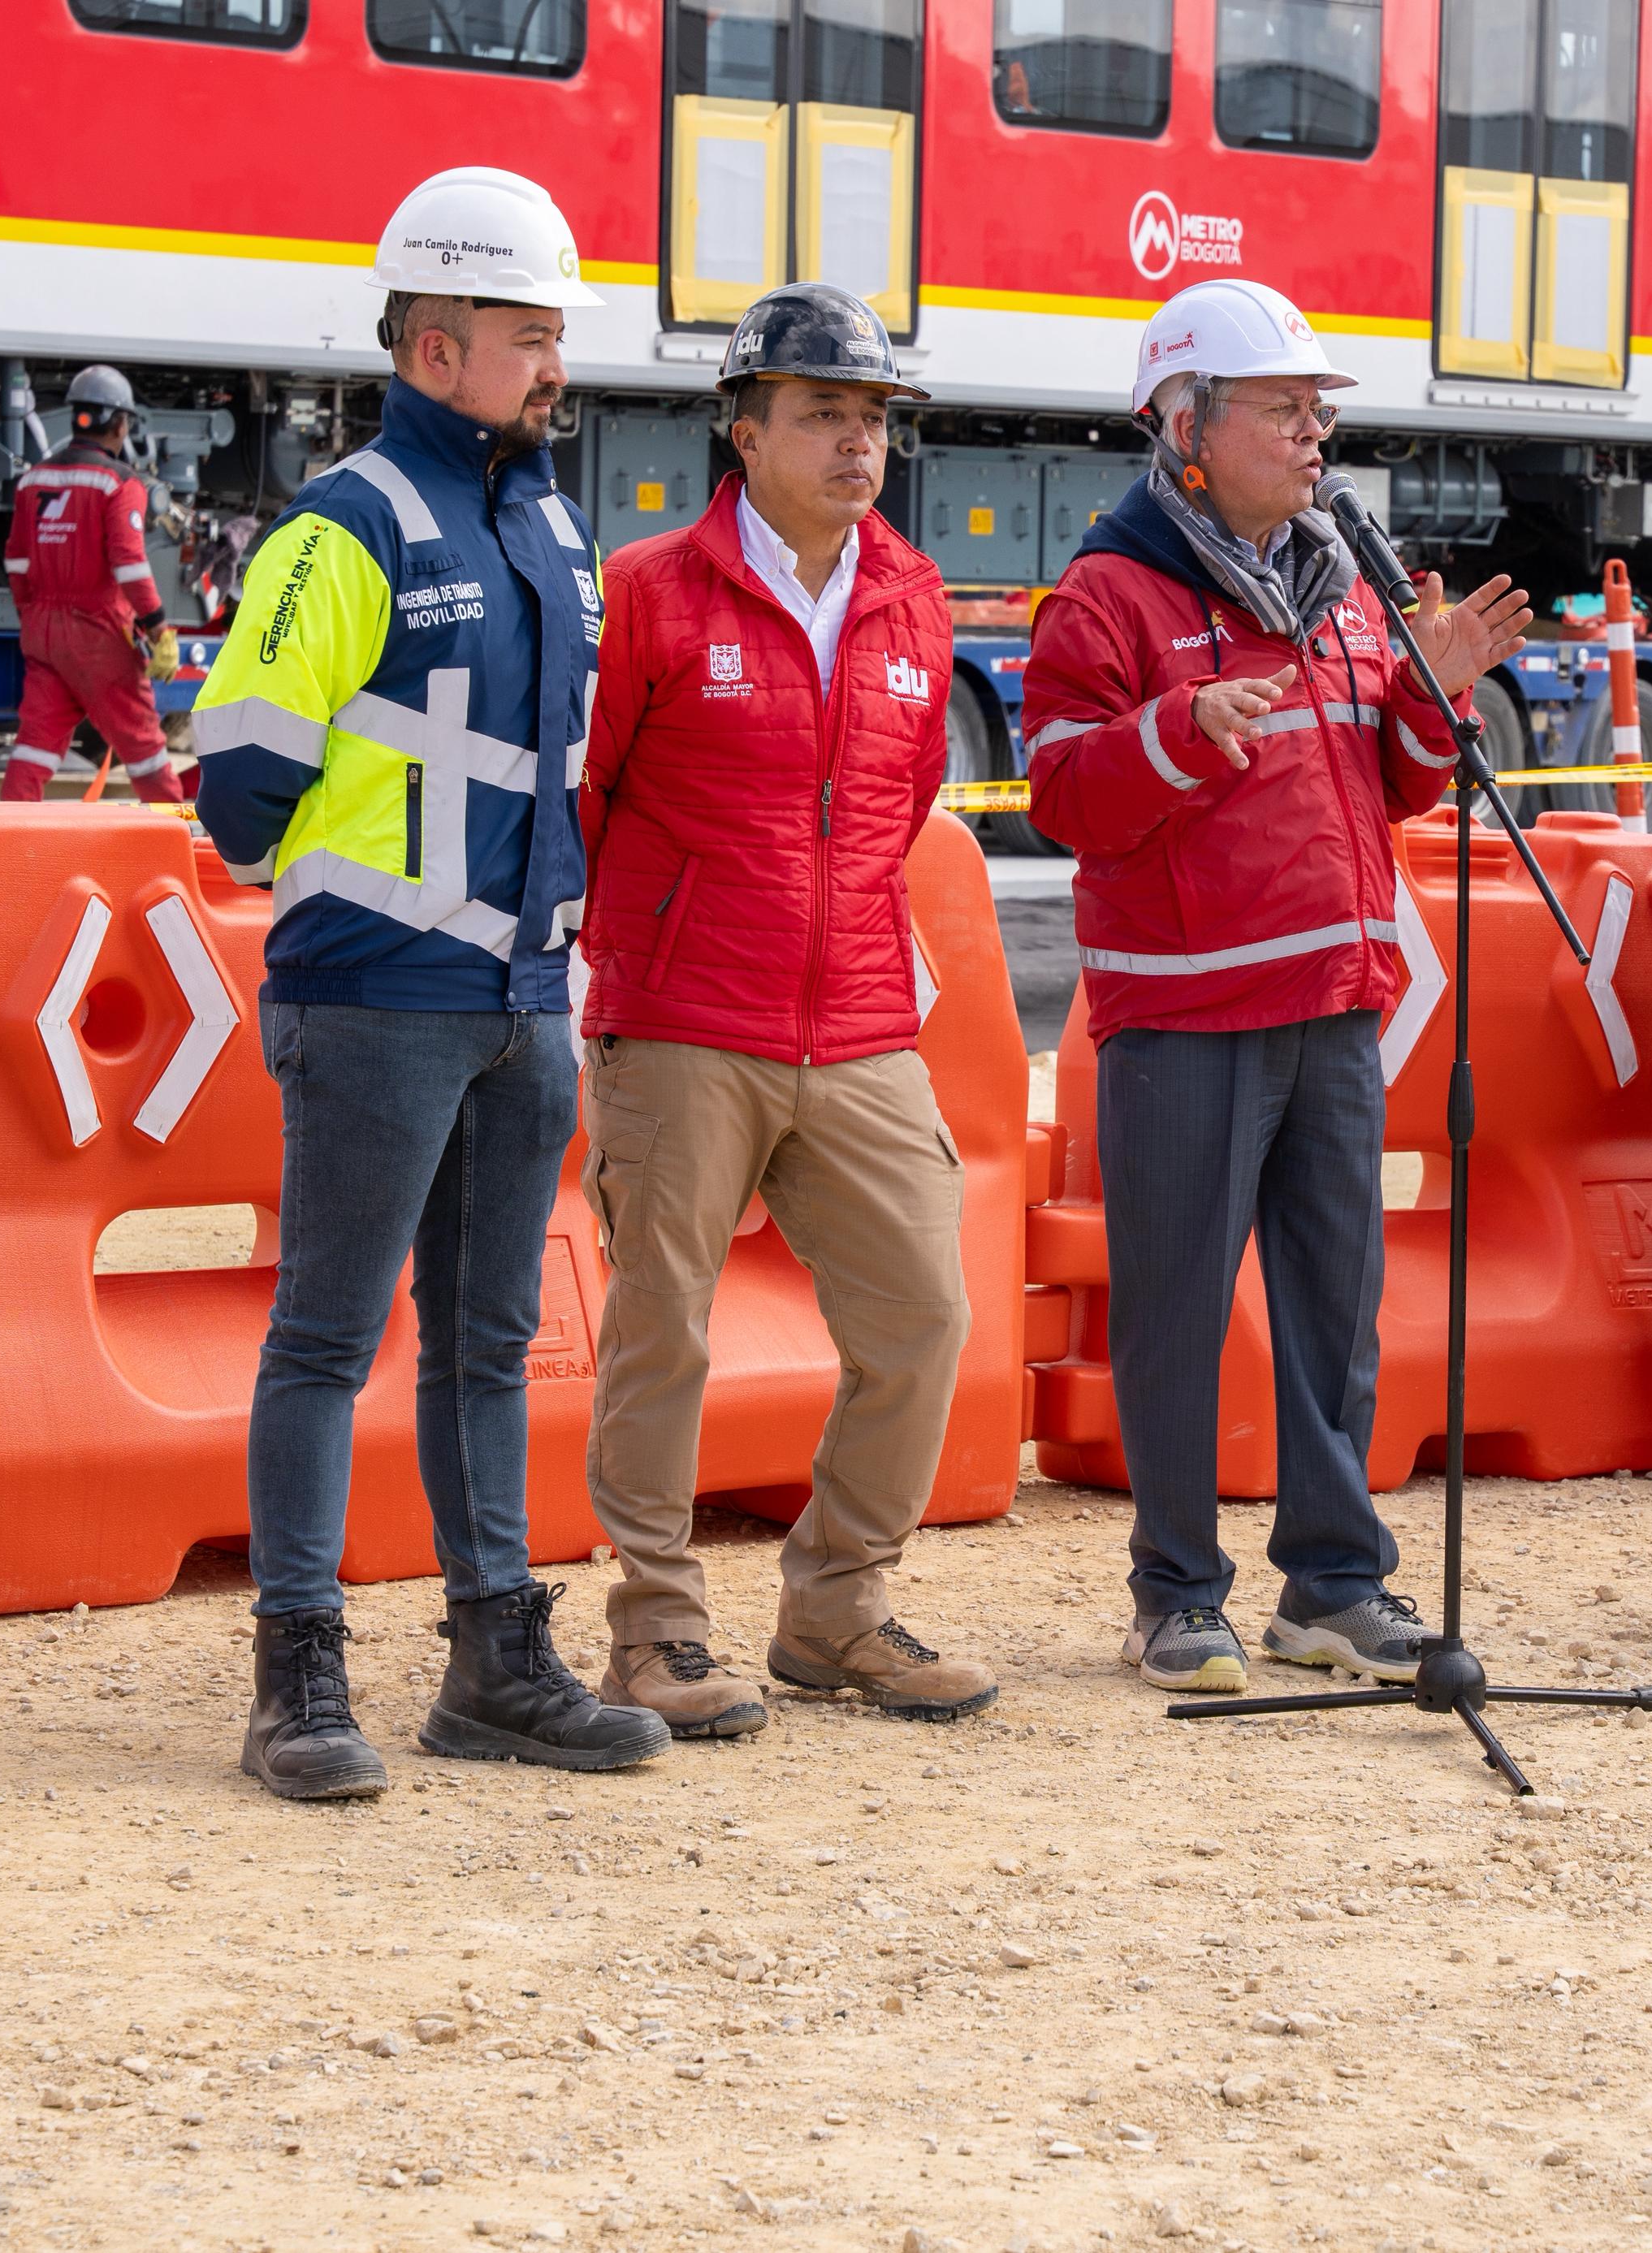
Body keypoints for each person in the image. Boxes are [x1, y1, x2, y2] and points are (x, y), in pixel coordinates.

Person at [192, 168, 670, 1799]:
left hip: (524, 1006)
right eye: (535, 338)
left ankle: (494, 1663)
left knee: (489, 1343)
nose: (557, 367)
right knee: (326, 1337)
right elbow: (240, 783)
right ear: (439, 342)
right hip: (377, 1001)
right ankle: (300, 1678)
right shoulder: (346, 524)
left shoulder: (542, 511)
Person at [1020, 279, 1533, 1697]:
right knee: (1178, 1309)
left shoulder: (1342, 580)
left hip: (1333, 998)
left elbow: (1396, 785)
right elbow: (1062, 794)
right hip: (1183, 1014)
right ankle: (1176, 1592)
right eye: (1287, 410)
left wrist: (1434, 694)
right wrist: (1180, 732)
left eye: (1322, 412)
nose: (1317, 435)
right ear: (1186, 427)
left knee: (1334, 1303)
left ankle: (1335, 1583)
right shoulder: (1107, 596)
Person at [573, 283, 992, 1732]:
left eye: (874, 418)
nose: (857, 442)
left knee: (926, 1314)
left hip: (864, 1021)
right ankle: (658, 1629)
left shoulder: (915, 598)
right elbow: (590, 792)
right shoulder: (646, 590)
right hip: (686, 1016)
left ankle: (837, 1609)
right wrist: (634, 964)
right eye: (824, 413)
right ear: (742, 431)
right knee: (662, 1326)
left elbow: (906, 797)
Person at [2, 365, 183, 805]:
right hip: (99, 632)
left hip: (42, 630)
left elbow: (17, 560)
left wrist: (35, 615)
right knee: (144, 748)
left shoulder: (33, 480)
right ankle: (182, 839)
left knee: (34, 747)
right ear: (121, 423)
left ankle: (4, 841)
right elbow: (129, 564)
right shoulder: (120, 484)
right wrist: (158, 626)